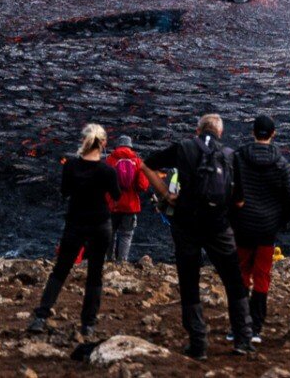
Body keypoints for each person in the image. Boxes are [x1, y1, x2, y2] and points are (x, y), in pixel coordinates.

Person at [141, 114, 253, 359]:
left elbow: (146, 164)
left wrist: (166, 195)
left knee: (189, 281)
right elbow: (241, 200)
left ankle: (198, 343)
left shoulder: (184, 148)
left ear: (197, 130)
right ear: (220, 133)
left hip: (186, 224)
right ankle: (243, 339)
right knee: (233, 280)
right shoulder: (230, 156)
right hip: (218, 227)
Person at [229, 114, 290, 343]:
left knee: (240, 276)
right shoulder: (280, 163)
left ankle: (238, 327)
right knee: (262, 277)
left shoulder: (238, 158)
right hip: (267, 230)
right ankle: (255, 328)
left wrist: (232, 217)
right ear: (274, 134)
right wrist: (280, 221)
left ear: (253, 133)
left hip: (242, 227)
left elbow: (230, 190)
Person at [107, 135, 148, 264]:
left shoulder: (109, 160)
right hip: (130, 206)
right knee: (126, 234)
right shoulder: (137, 161)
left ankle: (108, 260)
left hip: (112, 204)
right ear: (130, 146)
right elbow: (143, 185)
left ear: (117, 146)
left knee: (110, 233)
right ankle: (122, 262)